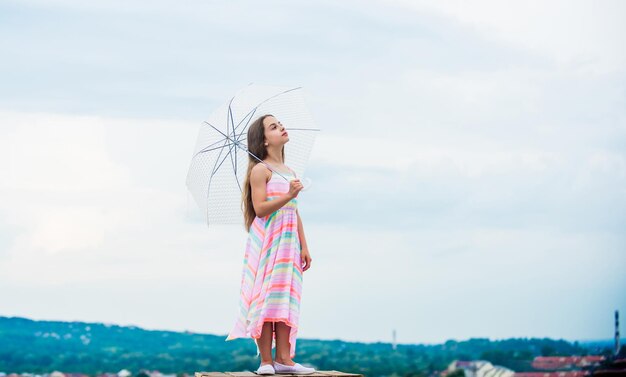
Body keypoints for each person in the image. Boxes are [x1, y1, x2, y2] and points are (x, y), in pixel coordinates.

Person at [225, 114, 315, 375]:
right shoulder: (260, 170)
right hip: (268, 242)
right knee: (266, 296)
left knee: (284, 296)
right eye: (273, 127)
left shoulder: (290, 172)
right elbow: (261, 209)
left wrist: (304, 246)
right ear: (264, 141)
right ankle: (266, 360)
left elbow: (294, 211)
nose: (281, 127)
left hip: (288, 244)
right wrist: (288, 194)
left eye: (280, 123)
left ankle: (284, 360)